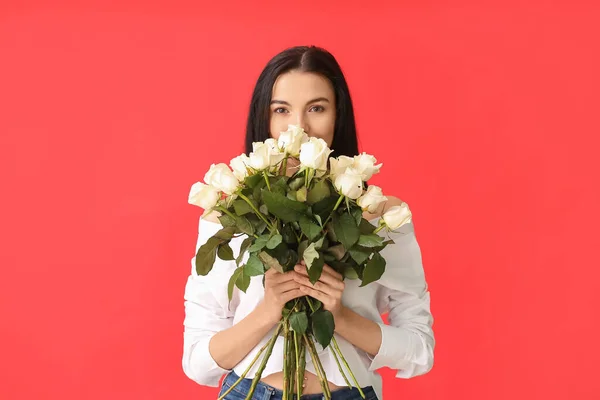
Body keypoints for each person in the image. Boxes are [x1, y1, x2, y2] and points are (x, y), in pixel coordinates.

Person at [182, 45, 434, 400]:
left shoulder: (378, 213)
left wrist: (341, 316)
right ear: (264, 119)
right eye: (281, 110)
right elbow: (198, 361)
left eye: (317, 108)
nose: (298, 127)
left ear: (338, 117)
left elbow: (420, 348)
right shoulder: (229, 216)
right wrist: (268, 311)